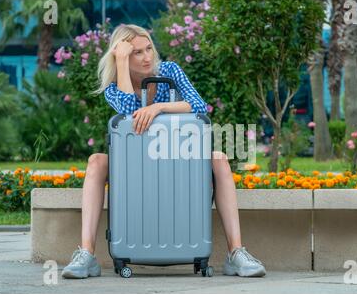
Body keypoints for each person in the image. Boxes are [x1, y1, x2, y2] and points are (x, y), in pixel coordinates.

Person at [61, 24, 266, 279]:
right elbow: (127, 111)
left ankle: (236, 253)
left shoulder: (169, 71)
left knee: (220, 159)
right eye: (136, 52)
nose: (147, 57)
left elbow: (199, 104)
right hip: (135, 164)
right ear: (122, 56)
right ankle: (87, 255)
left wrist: (158, 109)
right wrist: (121, 63)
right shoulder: (114, 87)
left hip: (177, 154)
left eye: (149, 49)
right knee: (95, 161)